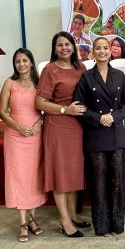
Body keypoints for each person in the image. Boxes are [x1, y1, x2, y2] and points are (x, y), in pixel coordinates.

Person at [74, 37, 125, 236]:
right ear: (92, 52)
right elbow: (79, 106)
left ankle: (117, 225)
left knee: (117, 181)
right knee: (98, 182)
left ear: (110, 51)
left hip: (115, 132)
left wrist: (114, 117)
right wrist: (99, 118)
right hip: (96, 133)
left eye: (105, 48)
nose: (102, 51)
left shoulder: (119, 75)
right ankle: (101, 226)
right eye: (98, 48)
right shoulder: (86, 77)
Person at [36, 32, 89, 238]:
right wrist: (65, 110)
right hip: (58, 125)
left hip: (78, 126)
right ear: (54, 48)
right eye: (60, 45)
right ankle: (64, 219)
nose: (64, 48)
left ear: (73, 46)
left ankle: (73, 213)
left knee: (74, 171)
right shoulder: (50, 70)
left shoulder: (81, 67)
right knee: (61, 173)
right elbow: (40, 103)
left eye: (67, 44)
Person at [0, 48, 47, 242]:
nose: (22, 64)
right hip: (15, 135)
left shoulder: (39, 83)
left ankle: (32, 219)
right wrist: (18, 126)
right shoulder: (9, 83)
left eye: (25, 60)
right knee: (18, 178)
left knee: (33, 177)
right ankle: (22, 223)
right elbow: (1, 111)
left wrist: (38, 123)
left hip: (35, 135)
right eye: (18, 61)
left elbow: (45, 109)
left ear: (31, 62)